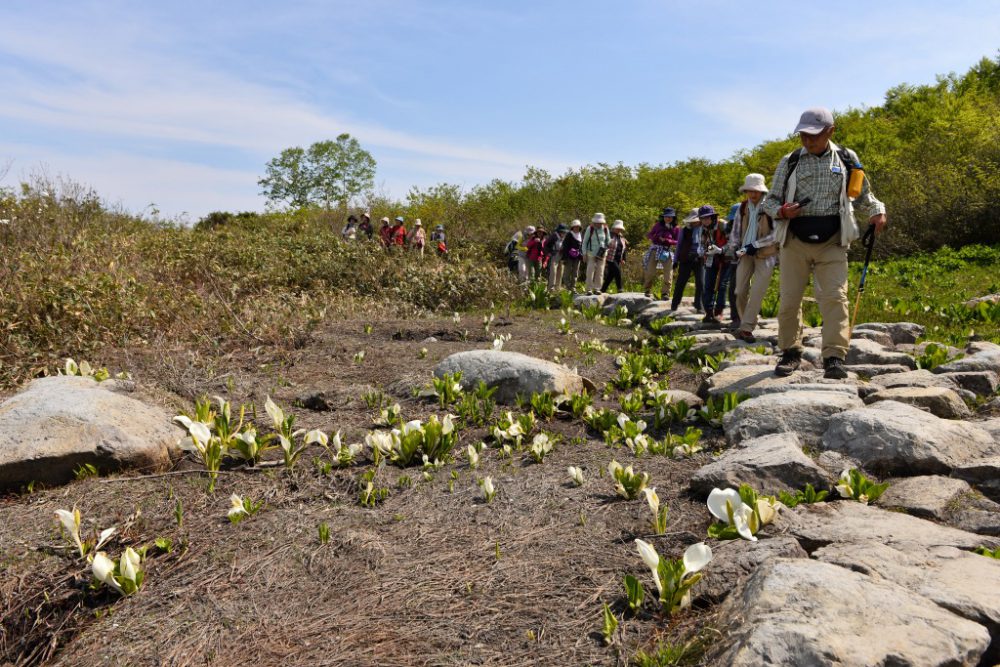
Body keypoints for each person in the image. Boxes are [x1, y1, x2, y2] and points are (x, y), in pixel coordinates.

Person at [762, 107, 888, 379]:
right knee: (789, 300)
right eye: (803, 135)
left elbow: (865, 193)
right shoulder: (791, 160)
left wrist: (877, 211)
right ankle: (790, 352)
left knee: (835, 297)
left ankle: (833, 358)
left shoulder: (846, 158)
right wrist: (782, 211)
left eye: (813, 135)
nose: (807, 141)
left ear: (830, 131)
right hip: (794, 239)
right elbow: (768, 201)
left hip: (833, 239)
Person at [727, 174, 778, 342]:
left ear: (761, 191)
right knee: (739, 291)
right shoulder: (742, 208)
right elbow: (735, 232)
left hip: (766, 254)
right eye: (750, 191)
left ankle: (746, 328)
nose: (753, 194)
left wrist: (755, 245)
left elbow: (777, 234)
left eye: (756, 191)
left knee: (757, 292)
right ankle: (744, 322)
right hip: (744, 253)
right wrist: (734, 247)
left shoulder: (771, 207)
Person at [701, 207, 735, 325]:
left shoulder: (723, 226)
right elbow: (703, 243)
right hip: (711, 259)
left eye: (707, 217)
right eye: (702, 218)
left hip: (726, 259)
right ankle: (708, 313)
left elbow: (732, 242)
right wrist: (705, 250)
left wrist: (721, 250)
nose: (705, 220)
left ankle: (718, 312)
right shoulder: (704, 229)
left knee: (722, 286)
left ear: (713, 217)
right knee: (708, 285)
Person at [670, 207, 708, 312]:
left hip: (699, 259)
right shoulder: (685, 230)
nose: (695, 223)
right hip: (686, 259)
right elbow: (679, 245)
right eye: (693, 221)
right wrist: (675, 260)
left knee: (701, 283)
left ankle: (699, 305)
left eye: (696, 220)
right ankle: (674, 304)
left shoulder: (705, 230)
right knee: (680, 283)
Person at [643, 207, 678, 298]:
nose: (668, 218)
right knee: (650, 271)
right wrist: (657, 237)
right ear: (663, 217)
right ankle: (647, 290)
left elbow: (678, 241)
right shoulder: (658, 225)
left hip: (667, 251)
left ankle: (665, 293)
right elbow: (649, 234)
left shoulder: (676, 228)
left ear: (673, 218)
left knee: (668, 272)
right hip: (655, 249)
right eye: (666, 216)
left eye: (670, 217)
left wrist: (668, 241)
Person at [582, 213, 610, 295]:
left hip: (602, 254)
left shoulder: (605, 228)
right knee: (590, 271)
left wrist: (607, 249)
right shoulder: (590, 228)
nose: (599, 224)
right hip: (591, 253)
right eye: (597, 222)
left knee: (600, 271)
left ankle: (597, 288)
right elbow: (584, 242)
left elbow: (608, 241)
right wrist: (584, 253)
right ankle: (589, 289)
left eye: (600, 222)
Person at [601, 220, 628, 293]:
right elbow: (604, 245)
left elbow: (624, 249)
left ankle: (603, 289)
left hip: (618, 259)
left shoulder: (622, 238)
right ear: (614, 228)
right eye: (617, 228)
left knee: (611, 275)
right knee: (618, 271)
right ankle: (620, 288)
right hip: (610, 258)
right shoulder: (609, 235)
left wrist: (624, 259)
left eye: (620, 229)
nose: (618, 230)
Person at [545, 224, 568, 291]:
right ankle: (551, 288)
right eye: (561, 231)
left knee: (560, 271)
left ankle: (558, 287)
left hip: (562, 256)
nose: (563, 233)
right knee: (553, 271)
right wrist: (548, 253)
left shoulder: (565, 237)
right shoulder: (553, 236)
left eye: (564, 232)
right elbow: (546, 245)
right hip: (554, 255)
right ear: (558, 231)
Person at [561, 219, 583, 290]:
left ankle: (573, 286)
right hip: (569, 257)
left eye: (578, 226)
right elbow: (565, 246)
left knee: (575, 272)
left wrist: (581, 254)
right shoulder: (569, 235)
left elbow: (581, 246)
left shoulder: (580, 235)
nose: (576, 228)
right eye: (575, 226)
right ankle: (568, 286)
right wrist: (565, 257)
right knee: (567, 272)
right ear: (572, 227)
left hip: (577, 257)